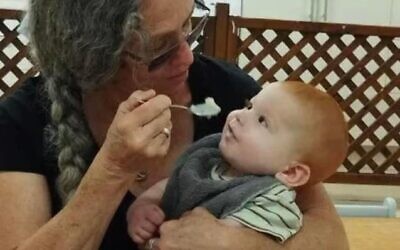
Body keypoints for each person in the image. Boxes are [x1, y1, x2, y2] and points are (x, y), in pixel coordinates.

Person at [0, 0, 349, 249]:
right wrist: (112, 169)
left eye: (189, 27)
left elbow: (331, 238)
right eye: (160, 50)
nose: (187, 57)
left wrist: (243, 243)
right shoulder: (21, 122)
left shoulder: (233, 97)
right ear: (93, 62)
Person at [127, 81, 348, 245]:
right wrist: (143, 207)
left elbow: (225, 242)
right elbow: (170, 184)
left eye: (262, 121)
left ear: (291, 172)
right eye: (249, 106)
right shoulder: (212, 160)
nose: (240, 115)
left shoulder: (270, 201)